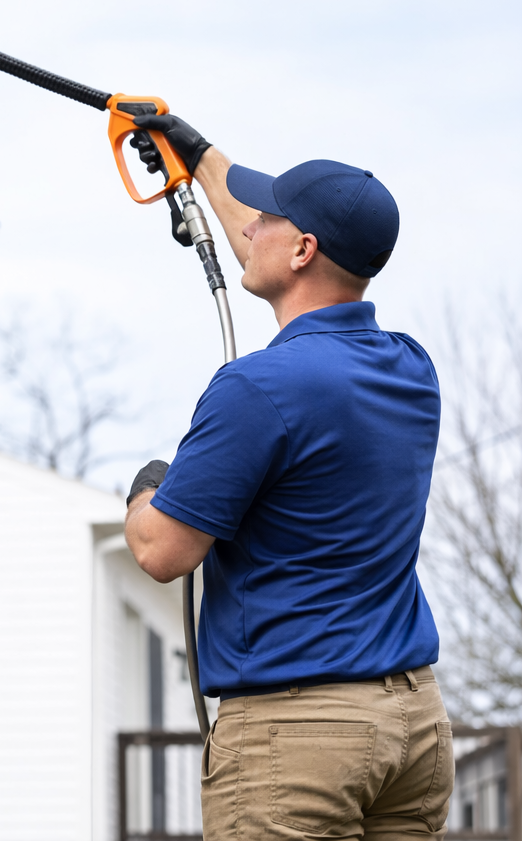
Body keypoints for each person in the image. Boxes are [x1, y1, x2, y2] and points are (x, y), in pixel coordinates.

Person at [122, 113, 451, 839]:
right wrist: (198, 156)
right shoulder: (411, 369)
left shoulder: (256, 389)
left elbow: (161, 553)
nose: (247, 228)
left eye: (265, 218)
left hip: (297, 738)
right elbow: (285, 243)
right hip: (412, 725)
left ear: (301, 249)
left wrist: (150, 489)